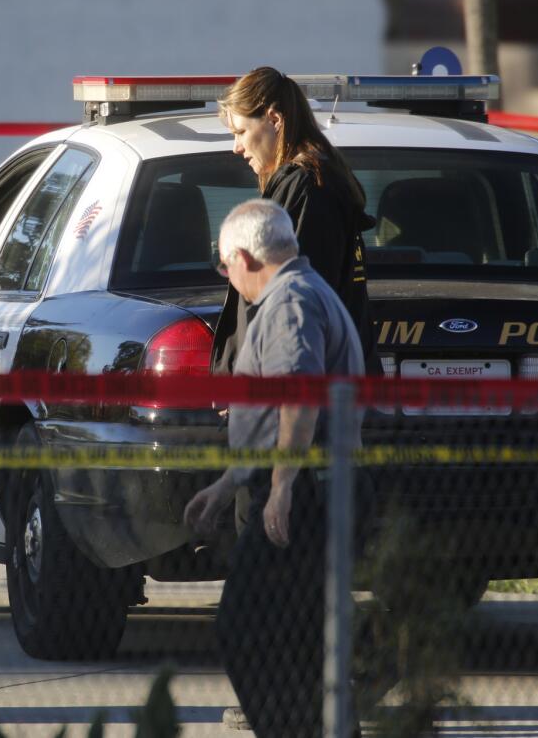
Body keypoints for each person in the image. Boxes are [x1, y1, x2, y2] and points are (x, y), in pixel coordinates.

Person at [184, 198, 363, 737]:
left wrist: (281, 486)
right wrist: (229, 483)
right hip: (310, 488)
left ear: (242, 256)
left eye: (223, 265)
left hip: (307, 495)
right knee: (299, 644)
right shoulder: (299, 295)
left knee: (247, 628)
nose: (226, 277)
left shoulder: (290, 302)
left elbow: (299, 398)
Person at [212, 66, 380, 377]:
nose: (237, 147)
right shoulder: (308, 182)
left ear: (274, 119)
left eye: (240, 132)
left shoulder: (308, 187)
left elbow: (296, 306)